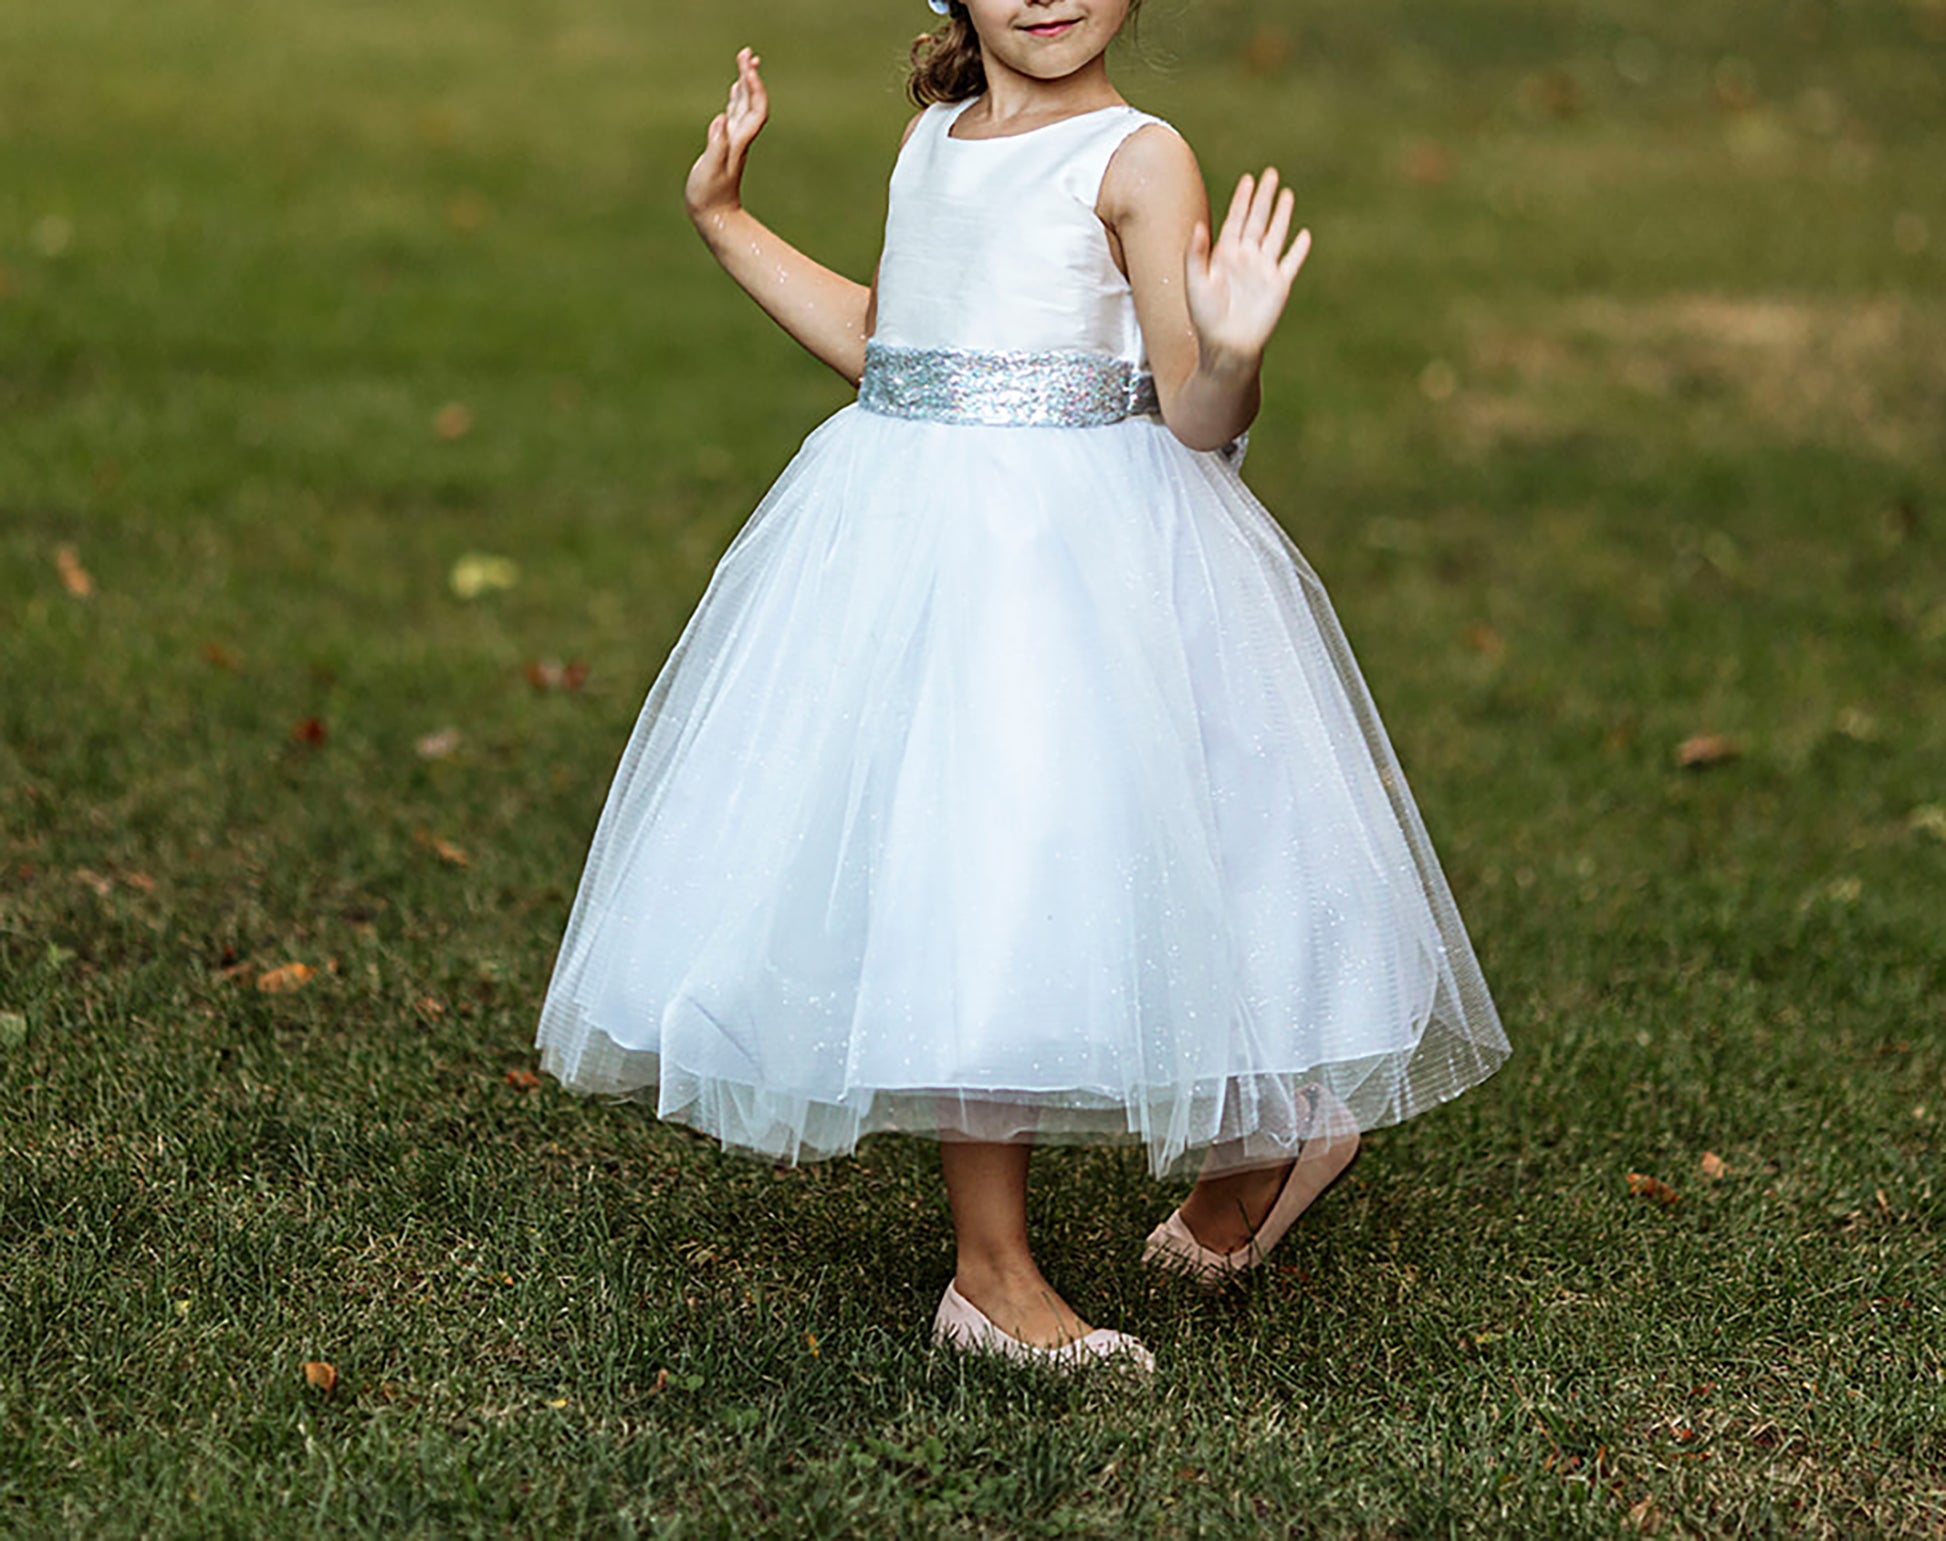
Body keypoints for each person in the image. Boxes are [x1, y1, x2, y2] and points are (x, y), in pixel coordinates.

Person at [535, 0, 1510, 1374]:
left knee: (1136, 851)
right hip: (923, 545)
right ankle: (1052, 1244)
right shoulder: (932, 135)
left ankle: (1231, 1154)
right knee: (979, 873)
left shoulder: (1137, 153)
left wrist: (1230, 349)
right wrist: (723, 220)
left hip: (1074, 554)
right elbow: (894, 343)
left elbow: (1192, 409)